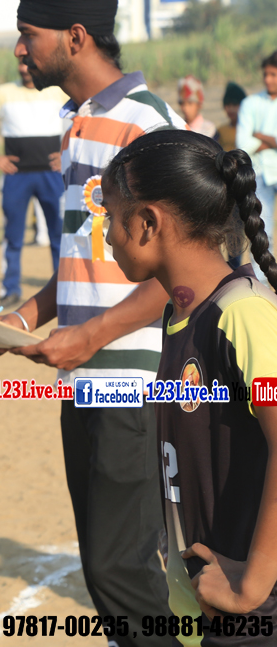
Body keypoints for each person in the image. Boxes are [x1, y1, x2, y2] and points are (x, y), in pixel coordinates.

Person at [0, 0, 186, 647]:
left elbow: (180, 271)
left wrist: (90, 336)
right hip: (83, 378)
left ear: (74, 37)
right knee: (108, 571)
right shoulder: (77, 123)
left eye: (27, 34)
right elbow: (81, 260)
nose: (19, 49)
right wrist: (21, 317)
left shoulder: (145, 126)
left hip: (132, 379)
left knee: (121, 570)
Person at [102, 129, 277, 640]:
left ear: (148, 222)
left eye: (111, 217)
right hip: (198, 613)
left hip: (248, 616)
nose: (108, 235)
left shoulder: (242, 313)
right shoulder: (181, 314)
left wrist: (253, 584)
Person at [0, 58, 69, 309]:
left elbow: (81, 118)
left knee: (59, 235)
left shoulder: (57, 91)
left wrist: (67, 153)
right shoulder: (4, 93)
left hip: (51, 175)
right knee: (13, 236)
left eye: (30, 63)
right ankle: (10, 289)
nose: (24, 69)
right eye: (21, 64)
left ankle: (64, 288)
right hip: (16, 176)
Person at [236, 52, 277, 283]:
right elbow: (242, 144)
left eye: (273, 74)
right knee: (262, 231)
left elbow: (250, 141)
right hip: (261, 173)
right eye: (266, 74)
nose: (268, 79)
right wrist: (273, 141)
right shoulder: (250, 103)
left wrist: (260, 137)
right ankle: (261, 285)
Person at [217, 81, 247, 152]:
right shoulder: (221, 131)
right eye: (228, 105)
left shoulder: (250, 131)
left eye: (234, 105)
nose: (231, 109)